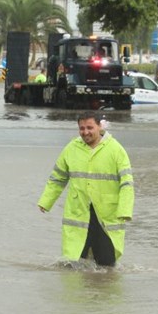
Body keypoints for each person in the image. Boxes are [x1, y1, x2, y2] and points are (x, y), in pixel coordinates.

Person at [37, 112, 135, 267]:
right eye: (81, 128)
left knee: (106, 265)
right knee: (74, 264)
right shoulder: (71, 148)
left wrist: (125, 210)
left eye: (90, 127)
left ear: (99, 127)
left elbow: (127, 183)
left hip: (105, 214)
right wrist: (46, 201)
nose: (85, 132)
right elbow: (58, 178)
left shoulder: (116, 150)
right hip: (78, 212)